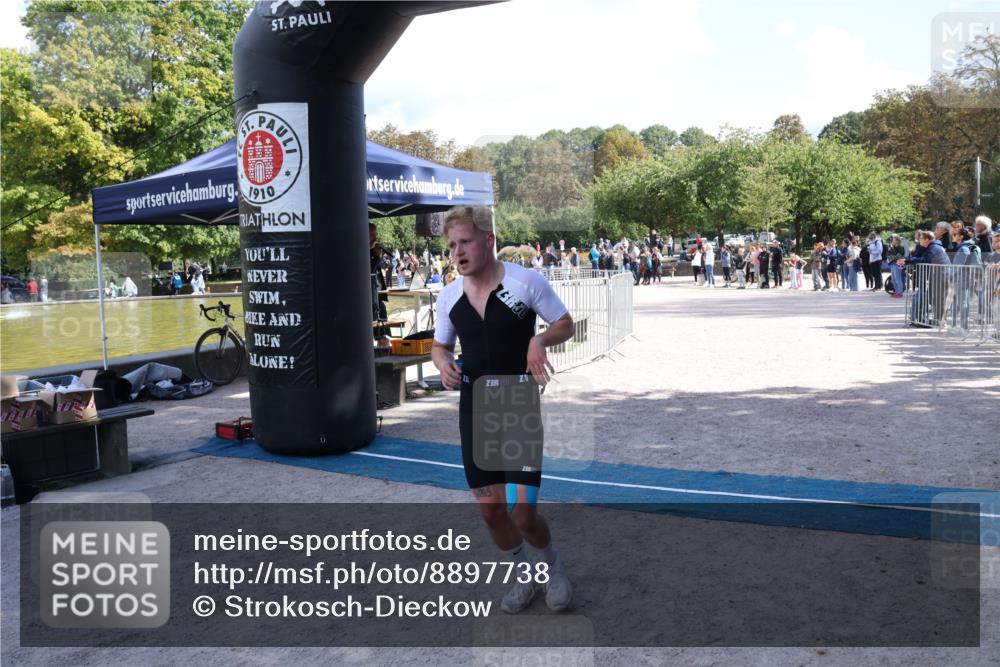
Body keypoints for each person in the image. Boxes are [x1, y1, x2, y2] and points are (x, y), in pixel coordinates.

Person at [430, 206, 575, 614]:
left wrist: (540, 340)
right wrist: (443, 364)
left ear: (488, 240)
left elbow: (566, 323)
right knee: (492, 511)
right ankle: (522, 575)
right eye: (452, 245)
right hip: (475, 410)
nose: (457, 252)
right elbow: (440, 346)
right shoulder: (449, 296)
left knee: (523, 513)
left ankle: (552, 569)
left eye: (465, 242)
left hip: (518, 404)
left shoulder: (524, 281)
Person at [369, 223, 390, 321]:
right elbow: (370, 271)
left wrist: (380, 256)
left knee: (383, 312)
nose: (375, 238)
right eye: (373, 235)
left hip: (377, 292)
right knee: (379, 313)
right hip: (369, 294)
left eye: (376, 235)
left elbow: (384, 266)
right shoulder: (363, 252)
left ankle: (386, 336)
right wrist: (376, 257)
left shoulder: (374, 251)